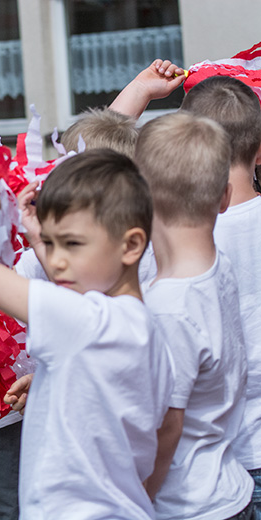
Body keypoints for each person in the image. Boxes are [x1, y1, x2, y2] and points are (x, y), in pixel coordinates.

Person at [0, 150, 173, 518]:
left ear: (131, 245)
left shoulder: (85, 322)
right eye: (52, 245)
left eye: (74, 244)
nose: (58, 260)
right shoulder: (137, 324)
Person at [135, 111, 254, 519]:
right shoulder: (216, 267)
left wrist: (140, 496)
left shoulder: (170, 307)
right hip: (226, 487)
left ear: (142, 198)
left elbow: (167, 427)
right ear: (224, 196)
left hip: (187, 505)